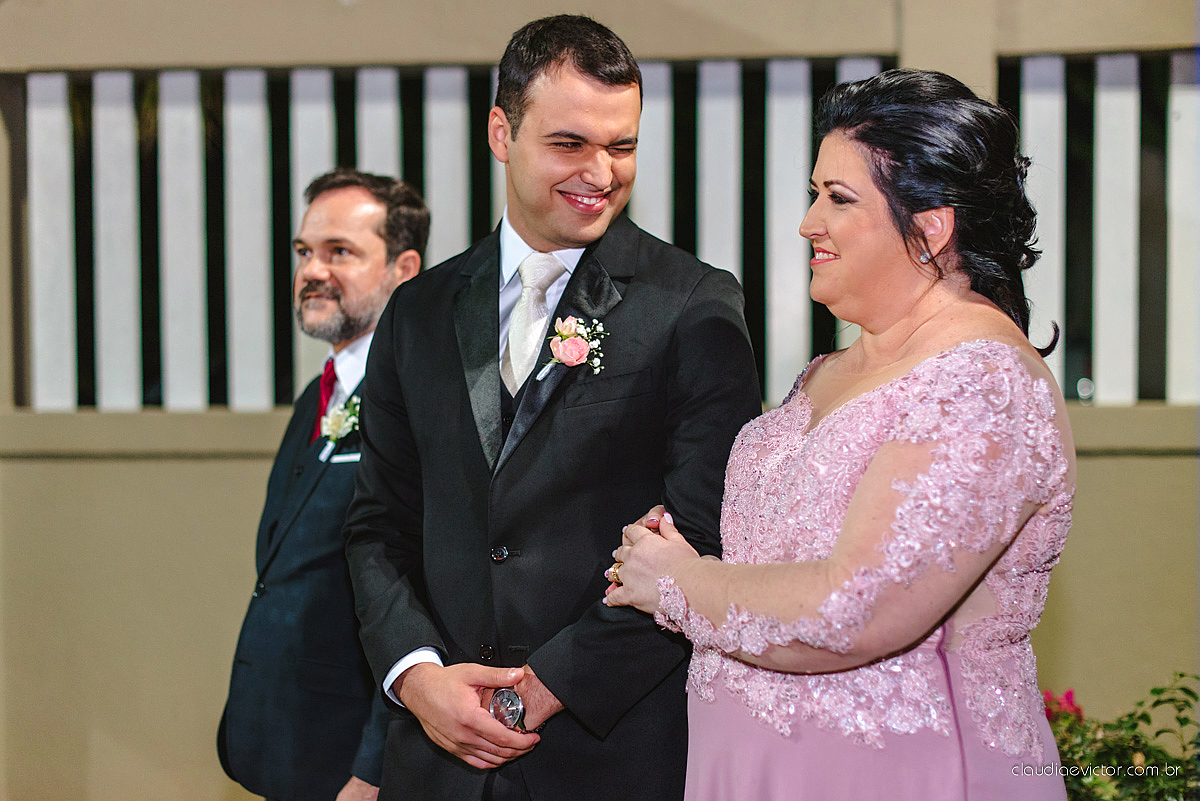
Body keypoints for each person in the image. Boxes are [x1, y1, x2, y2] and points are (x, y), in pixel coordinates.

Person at [606, 69, 1076, 800]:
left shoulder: (985, 384)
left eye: (839, 198)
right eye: (813, 194)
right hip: (750, 767)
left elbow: (853, 607)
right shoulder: (827, 369)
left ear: (930, 225)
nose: (807, 224)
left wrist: (678, 582)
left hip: (901, 773)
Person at [343, 14, 761, 801]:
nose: (600, 172)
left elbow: (706, 534)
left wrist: (543, 685)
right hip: (436, 759)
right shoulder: (419, 311)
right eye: (569, 144)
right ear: (501, 132)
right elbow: (378, 525)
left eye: (623, 145)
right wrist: (418, 678)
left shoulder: (693, 305)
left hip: (609, 752)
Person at [219, 168, 430, 801]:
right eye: (305, 252)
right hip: (279, 739)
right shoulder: (320, 392)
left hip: (347, 762)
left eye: (340, 252)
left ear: (405, 268)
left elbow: (417, 592)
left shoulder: (417, 402)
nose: (313, 270)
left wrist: (372, 771)